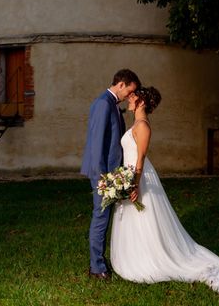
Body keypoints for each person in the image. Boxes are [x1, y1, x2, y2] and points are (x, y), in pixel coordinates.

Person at [110, 86, 219, 293]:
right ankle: (137, 254)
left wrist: (134, 183)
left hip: (138, 176)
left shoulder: (143, 125)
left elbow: (141, 158)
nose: (129, 99)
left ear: (141, 102)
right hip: (129, 174)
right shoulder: (136, 123)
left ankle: (151, 259)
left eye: (133, 97)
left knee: (144, 219)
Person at [81, 69, 140, 280]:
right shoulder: (103, 104)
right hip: (102, 174)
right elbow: (96, 144)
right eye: (129, 91)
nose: (128, 96)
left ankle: (101, 262)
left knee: (103, 217)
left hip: (109, 173)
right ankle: (97, 268)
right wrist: (101, 177)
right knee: (100, 217)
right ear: (121, 84)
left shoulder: (111, 104)